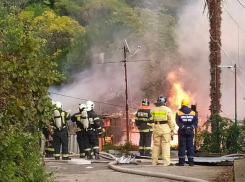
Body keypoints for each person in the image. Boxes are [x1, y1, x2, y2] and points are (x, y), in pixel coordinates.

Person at [151, 96, 175, 166]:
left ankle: (154, 162)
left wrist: (153, 127)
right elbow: (171, 121)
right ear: (164, 102)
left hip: (156, 129)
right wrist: (172, 129)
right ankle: (166, 163)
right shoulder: (167, 110)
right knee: (165, 145)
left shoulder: (152, 110)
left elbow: (150, 120)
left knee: (156, 145)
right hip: (165, 130)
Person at [176, 99, 198, 166]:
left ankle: (181, 162)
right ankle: (191, 162)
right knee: (190, 146)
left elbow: (178, 121)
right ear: (187, 104)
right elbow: (196, 122)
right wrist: (191, 127)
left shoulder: (178, 112)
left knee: (182, 146)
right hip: (190, 131)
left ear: (181, 104)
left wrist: (183, 127)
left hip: (182, 131)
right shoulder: (193, 112)